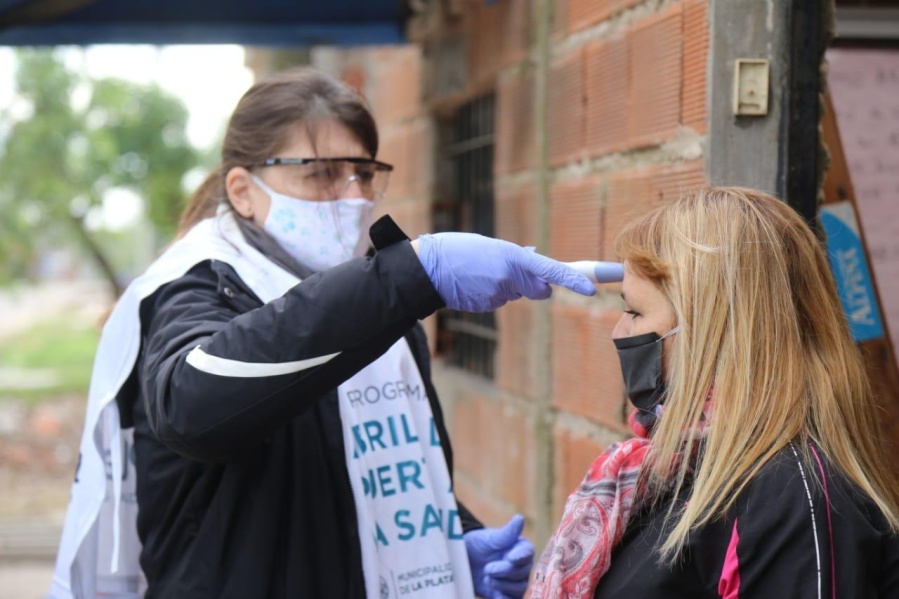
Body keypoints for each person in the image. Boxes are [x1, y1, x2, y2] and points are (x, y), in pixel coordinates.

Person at [50, 67, 603, 599]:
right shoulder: (195, 290)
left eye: (364, 173)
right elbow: (192, 406)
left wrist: (454, 540)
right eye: (321, 174)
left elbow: (362, 470)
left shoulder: (381, 307)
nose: (353, 195)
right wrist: (407, 276)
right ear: (242, 191)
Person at [531, 187, 899, 598]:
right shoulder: (676, 469)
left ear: (711, 331)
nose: (619, 332)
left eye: (634, 311)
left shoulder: (793, 496)